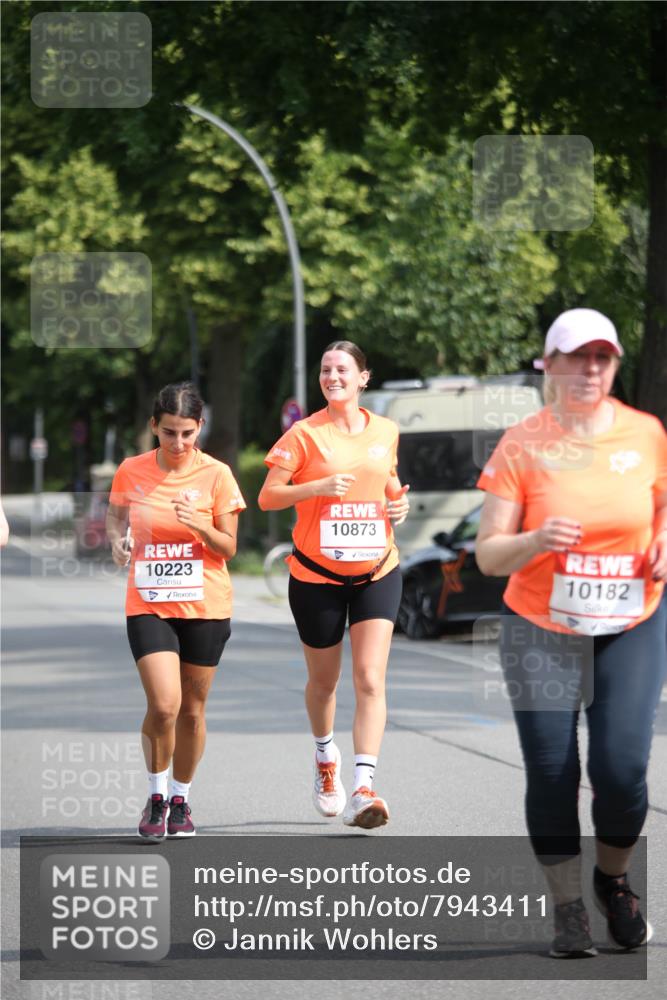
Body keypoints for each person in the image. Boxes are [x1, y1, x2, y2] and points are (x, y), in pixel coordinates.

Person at [476, 309, 667, 956]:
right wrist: (532, 538)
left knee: (620, 769)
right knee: (553, 772)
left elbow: (662, 502)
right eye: (574, 357)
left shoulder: (646, 434)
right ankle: (566, 911)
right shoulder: (521, 443)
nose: (589, 369)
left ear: (614, 365)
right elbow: (487, 556)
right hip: (539, 626)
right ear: (548, 364)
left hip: (630, 621)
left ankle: (611, 882)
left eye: (601, 358)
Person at [258, 341, 409, 829]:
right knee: (325, 683)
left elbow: (388, 481)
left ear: (363, 377)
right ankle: (327, 760)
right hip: (316, 576)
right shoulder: (304, 435)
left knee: (371, 678)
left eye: (342, 369)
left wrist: (398, 504)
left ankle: (364, 787)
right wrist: (315, 488)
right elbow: (267, 497)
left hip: (376, 571)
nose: (332, 376)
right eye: (326, 370)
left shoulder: (386, 430)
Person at [106, 382, 245, 840]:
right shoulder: (132, 470)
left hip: (205, 604)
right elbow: (115, 516)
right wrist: (117, 542)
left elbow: (228, 547)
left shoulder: (218, 475)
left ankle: (182, 799)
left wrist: (202, 525)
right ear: (154, 427)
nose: (179, 443)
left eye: (187, 433)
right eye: (169, 433)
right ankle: (156, 793)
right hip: (149, 602)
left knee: (192, 712)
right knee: (165, 705)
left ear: (199, 428)